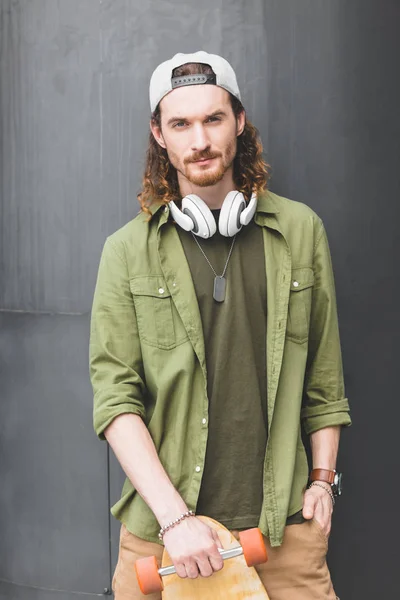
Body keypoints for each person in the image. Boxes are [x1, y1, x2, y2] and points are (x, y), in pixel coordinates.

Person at [89, 50, 351, 600]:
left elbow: (324, 382)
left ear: (239, 122)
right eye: (180, 124)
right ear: (159, 134)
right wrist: (175, 520)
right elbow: (116, 401)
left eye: (213, 119)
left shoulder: (301, 231)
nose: (199, 140)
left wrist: (323, 482)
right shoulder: (126, 251)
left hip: (283, 534)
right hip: (163, 542)